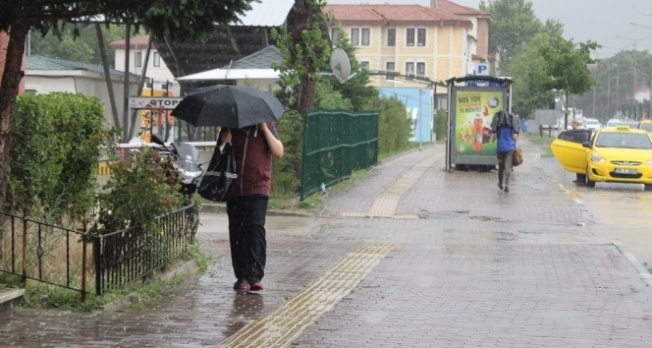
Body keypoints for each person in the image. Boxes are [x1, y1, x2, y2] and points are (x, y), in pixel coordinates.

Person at [220, 122, 284, 292]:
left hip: (258, 186)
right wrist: (225, 140)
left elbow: (279, 152)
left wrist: (264, 129)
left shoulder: (267, 126)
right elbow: (219, 151)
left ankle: (255, 276)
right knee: (237, 231)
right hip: (234, 187)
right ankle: (241, 276)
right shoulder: (231, 125)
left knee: (255, 228)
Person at [491, 110, 519, 193]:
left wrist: (495, 133)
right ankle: (507, 184)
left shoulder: (498, 126)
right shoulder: (512, 126)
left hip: (500, 149)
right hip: (510, 148)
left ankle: (500, 183)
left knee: (501, 167)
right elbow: (515, 137)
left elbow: (495, 136)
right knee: (508, 167)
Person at [571, 119, 587, 184]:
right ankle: (579, 179)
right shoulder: (580, 130)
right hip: (580, 149)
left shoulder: (579, 131)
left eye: (572, 124)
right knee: (579, 165)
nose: (572, 126)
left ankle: (581, 180)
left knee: (579, 165)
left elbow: (575, 138)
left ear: (575, 124)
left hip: (580, 150)